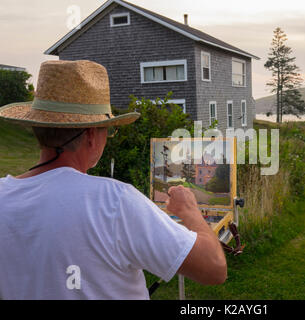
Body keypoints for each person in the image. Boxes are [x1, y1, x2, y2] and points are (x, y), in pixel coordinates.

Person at [0, 60, 227, 300]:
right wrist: (190, 211)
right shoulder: (114, 202)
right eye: (107, 130)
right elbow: (213, 268)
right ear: (90, 135)